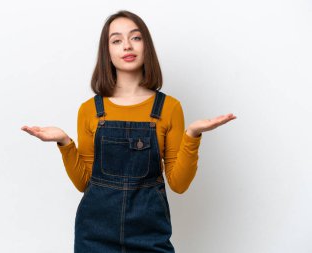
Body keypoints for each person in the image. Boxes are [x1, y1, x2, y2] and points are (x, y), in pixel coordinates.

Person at [21, 10, 236, 253]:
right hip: (94, 234)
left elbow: (179, 183)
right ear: (107, 52)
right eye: (116, 40)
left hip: (149, 234)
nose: (126, 46)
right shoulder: (90, 110)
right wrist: (65, 142)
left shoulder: (169, 108)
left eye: (135, 37)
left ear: (146, 45)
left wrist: (193, 136)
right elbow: (84, 183)